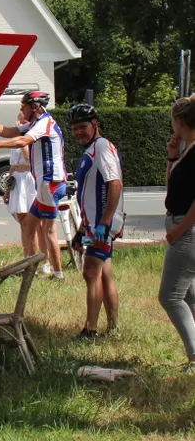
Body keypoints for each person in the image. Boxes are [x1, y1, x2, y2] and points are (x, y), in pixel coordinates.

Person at [0, 91, 67, 279]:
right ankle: (31, 267)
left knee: (48, 231)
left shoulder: (44, 123)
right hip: (44, 183)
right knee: (28, 225)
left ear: (35, 107)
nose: (21, 109)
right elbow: (10, 131)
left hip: (50, 182)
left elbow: (22, 141)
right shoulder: (35, 123)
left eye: (23, 106)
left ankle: (58, 275)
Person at [67, 104, 125, 339]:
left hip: (102, 225)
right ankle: (113, 327)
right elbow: (89, 194)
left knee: (91, 271)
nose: (78, 132)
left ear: (96, 124)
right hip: (94, 224)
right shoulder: (92, 149)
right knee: (104, 273)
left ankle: (91, 330)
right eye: (74, 129)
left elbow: (115, 183)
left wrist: (104, 222)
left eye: (83, 127)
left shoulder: (100, 147)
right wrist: (82, 229)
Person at [159, 94, 195, 370]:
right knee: (190, 295)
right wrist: (172, 157)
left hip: (188, 231)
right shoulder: (187, 150)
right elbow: (172, 192)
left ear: (180, 121)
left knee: (170, 296)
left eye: (172, 120)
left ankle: (194, 356)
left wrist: (180, 229)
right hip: (182, 227)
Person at [2, 112, 52, 275]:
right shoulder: (18, 140)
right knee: (24, 224)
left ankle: (43, 260)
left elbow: (28, 157)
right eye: (19, 121)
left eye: (23, 122)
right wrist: (7, 191)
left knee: (37, 225)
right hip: (18, 180)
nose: (20, 124)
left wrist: (23, 139)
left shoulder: (31, 140)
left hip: (29, 179)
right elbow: (13, 165)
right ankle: (27, 259)